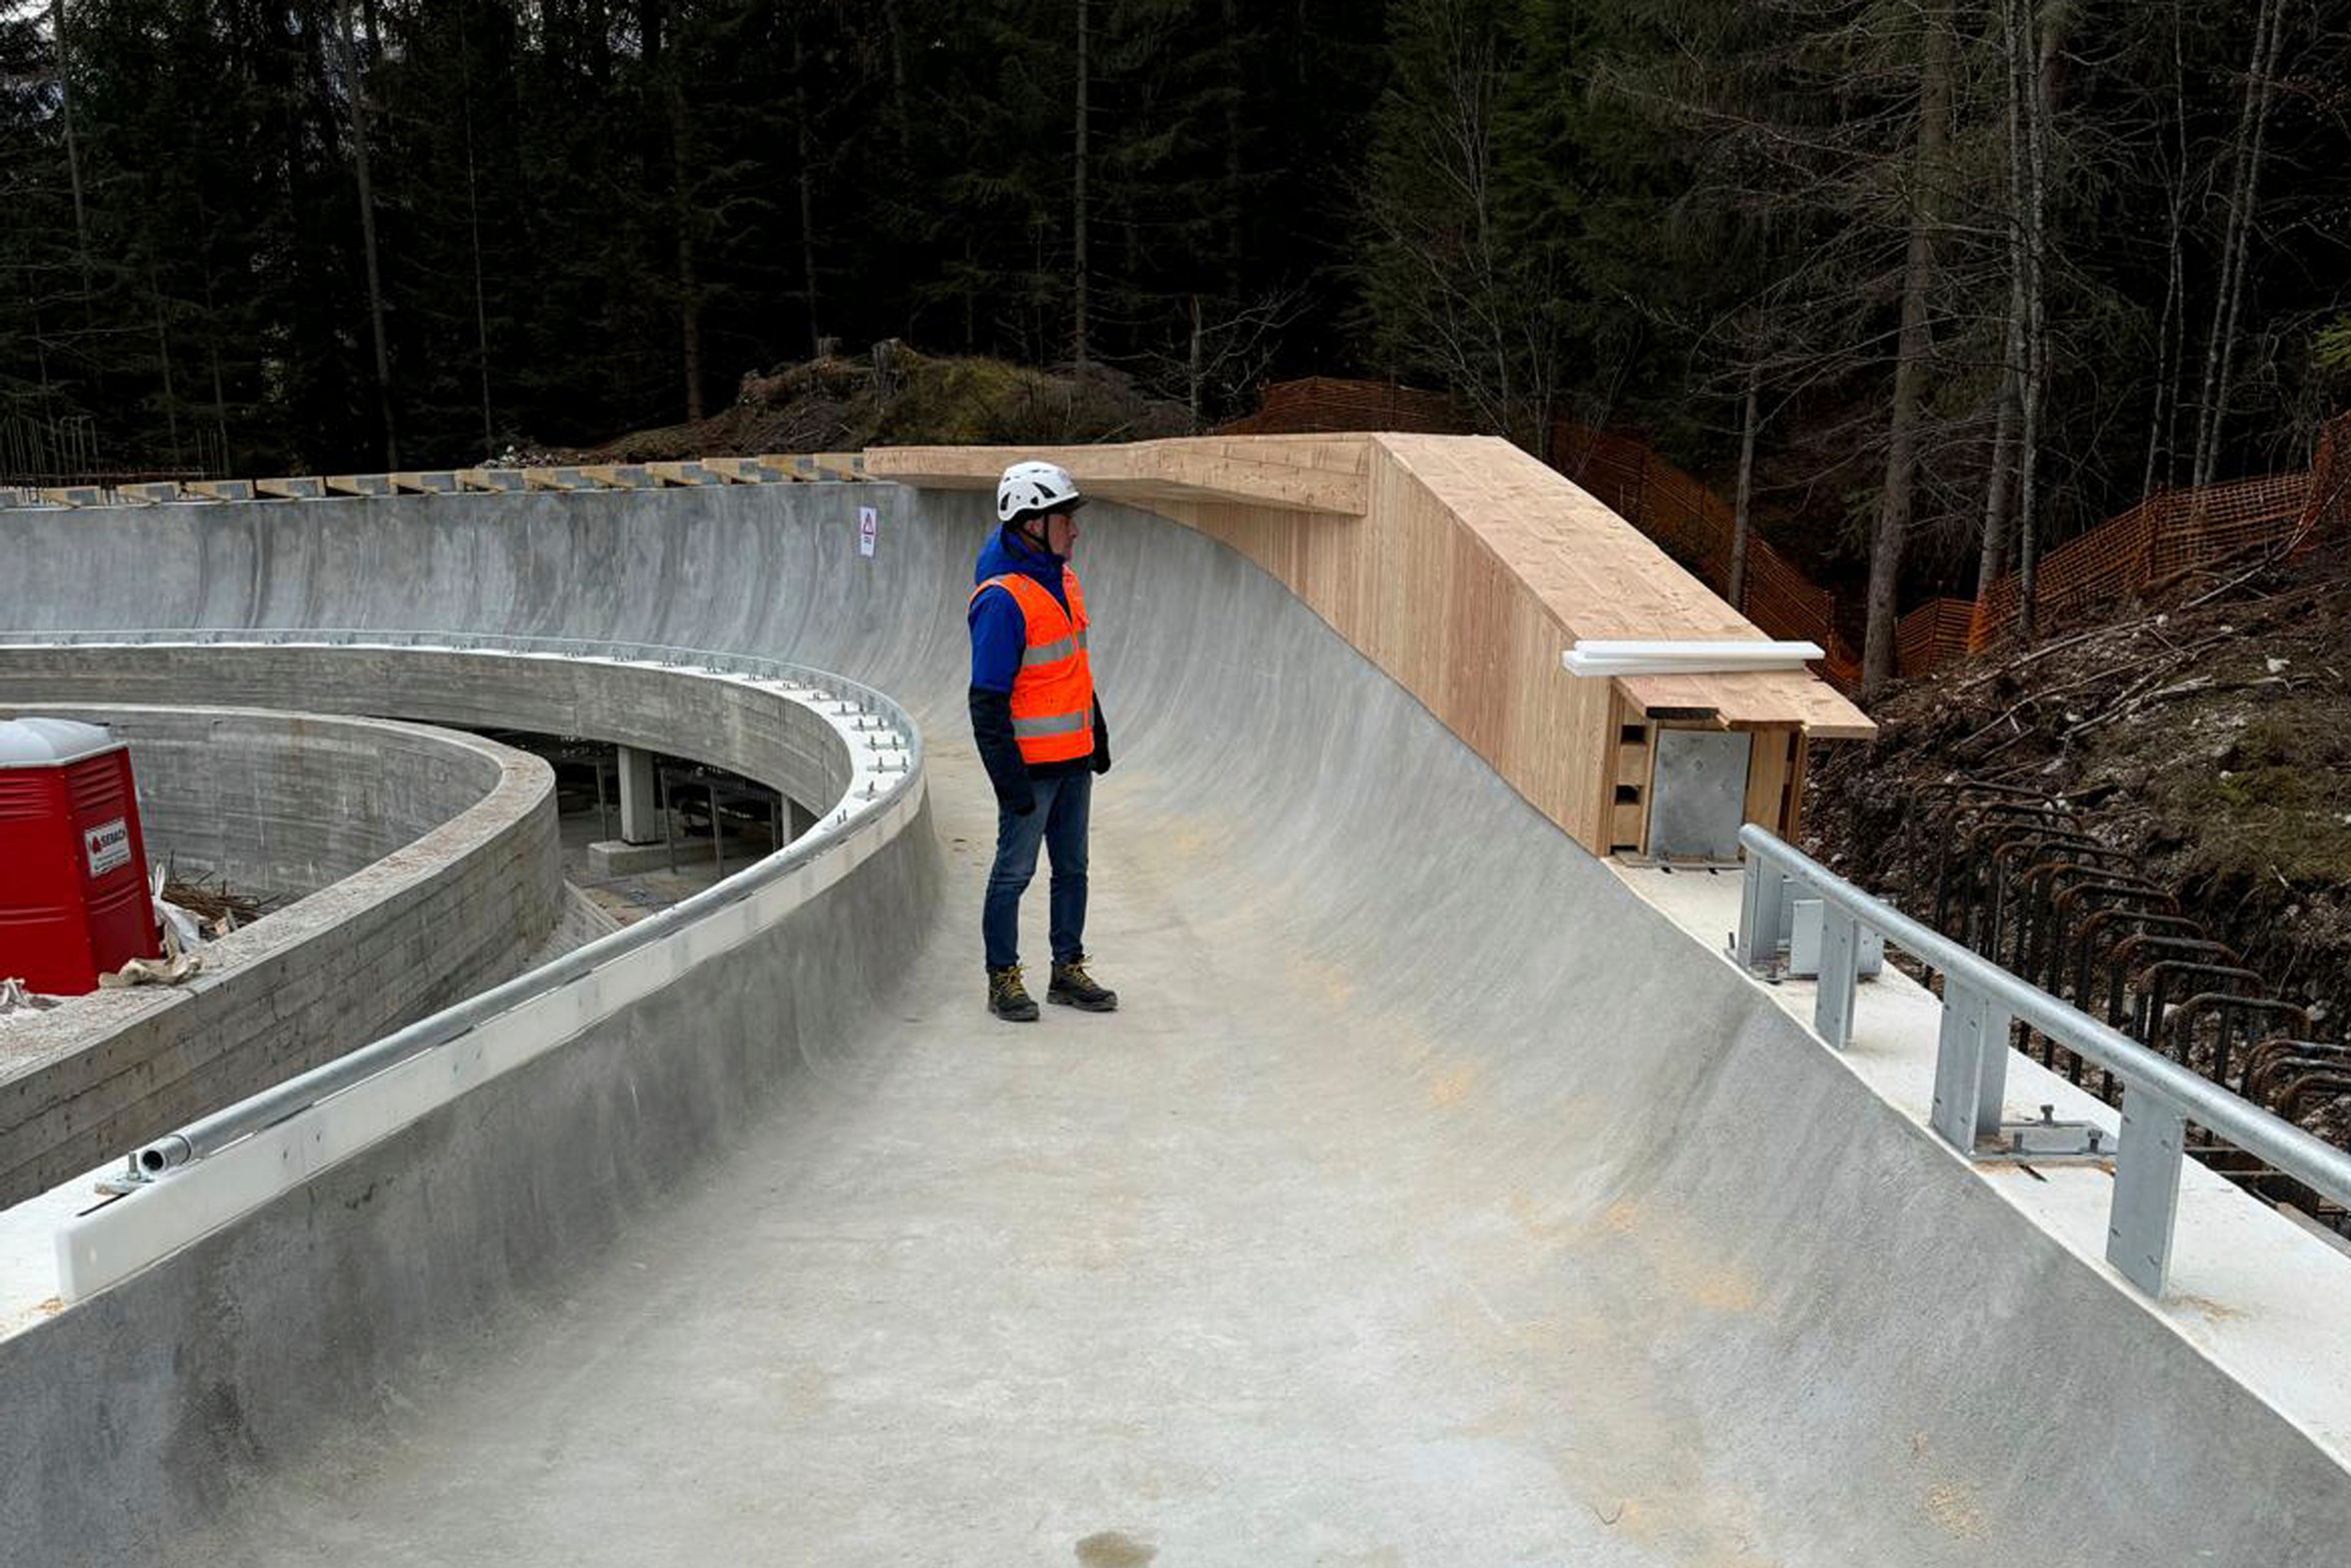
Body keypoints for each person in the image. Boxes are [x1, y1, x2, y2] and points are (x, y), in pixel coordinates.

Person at [969, 459, 1119, 1022]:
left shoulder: (1066, 580)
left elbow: (1071, 668)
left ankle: (1066, 969)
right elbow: (986, 700)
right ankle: (1002, 976)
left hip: (1073, 760)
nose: (1075, 529)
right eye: (1065, 519)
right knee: (1014, 873)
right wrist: (1008, 780)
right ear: (1032, 524)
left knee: (1073, 869)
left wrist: (1095, 732)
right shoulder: (1002, 600)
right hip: (1032, 770)